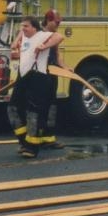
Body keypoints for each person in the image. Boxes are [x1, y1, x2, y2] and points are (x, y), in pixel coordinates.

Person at [7, 16, 62, 159]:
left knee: (33, 113)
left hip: (38, 77)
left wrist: (45, 46)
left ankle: (32, 148)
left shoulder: (41, 36)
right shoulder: (25, 35)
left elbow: (59, 36)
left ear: (34, 28)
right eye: (22, 26)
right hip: (23, 76)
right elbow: (19, 36)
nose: (23, 29)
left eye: (26, 26)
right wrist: (16, 41)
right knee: (13, 109)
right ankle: (24, 141)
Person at [40, 9, 68, 149]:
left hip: (52, 74)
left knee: (51, 105)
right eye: (57, 22)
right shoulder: (38, 34)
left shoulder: (53, 35)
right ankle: (36, 137)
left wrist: (65, 68)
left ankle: (49, 137)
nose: (59, 24)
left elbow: (57, 54)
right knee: (39, 106)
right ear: (49, 20)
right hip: (39, 75)